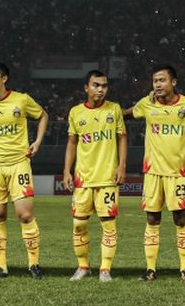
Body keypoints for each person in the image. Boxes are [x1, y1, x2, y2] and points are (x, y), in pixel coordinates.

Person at [0, 61, 49, 280]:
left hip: (18, 163)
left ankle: (34, 264)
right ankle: (1, 267)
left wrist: (37, 142)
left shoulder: (21, 100)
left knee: (25, 214)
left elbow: (43, 115)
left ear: (4, 79)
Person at [124, 64, 185, 282]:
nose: (157, 84)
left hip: (178, 172)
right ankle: (150, 269)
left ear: (173, 82)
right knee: (152, 218)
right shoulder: (146, 104)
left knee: (180, 218)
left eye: (162, 80)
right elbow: (127, 114)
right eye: (155, 81)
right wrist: (105, 111)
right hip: (153, 172)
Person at [62, 70, 127, 282]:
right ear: (86, 88)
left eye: (104, 86)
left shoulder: (114, 109)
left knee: (109, 224)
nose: (101, 89)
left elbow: (122, 138)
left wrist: (121, 166)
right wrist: (66, 171)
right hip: (83, 178)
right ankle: (83, 266)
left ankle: (105, 269)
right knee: (79, 225)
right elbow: (72, 143)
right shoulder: (76, 112)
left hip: (108, 177)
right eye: (96, 85)